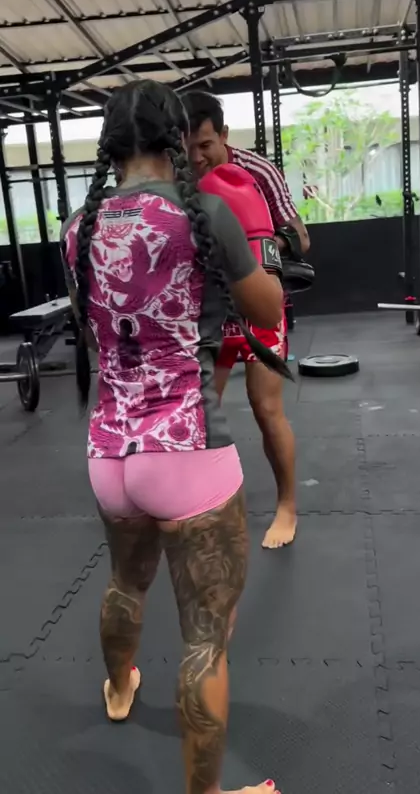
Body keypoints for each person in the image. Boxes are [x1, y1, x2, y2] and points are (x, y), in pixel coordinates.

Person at [60, 79, 288, 794]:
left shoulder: (77, 226)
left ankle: (119, 686)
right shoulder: (206, 212)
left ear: (110, 145)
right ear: (177, 137)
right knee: (205, 637)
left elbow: (95, 331)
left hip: (109, 453)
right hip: (187, 452)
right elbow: (267, 308)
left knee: (125, 583)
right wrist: (254, 267)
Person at [182, 90, 310, 550]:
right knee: (200, 415)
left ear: (224, 135)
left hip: (257, 303)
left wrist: (258, 241)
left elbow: (301, 237)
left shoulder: (257, 171)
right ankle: (201, 506)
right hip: (206, 310)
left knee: (266, 407)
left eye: (205, 145)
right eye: (187, 148)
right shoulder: (175, 176)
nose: (196, 158)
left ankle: (287, 506)